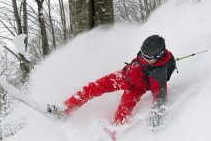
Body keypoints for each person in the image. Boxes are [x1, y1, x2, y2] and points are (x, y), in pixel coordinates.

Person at [48, 35, 177, 130]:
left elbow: (160, 98)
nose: (143, 58)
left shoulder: (158, 75)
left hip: (135, 89)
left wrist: (156, 116)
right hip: (124, 75)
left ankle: (111, 137)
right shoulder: (149, 54)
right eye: (142, 54)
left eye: (147, 58)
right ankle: (65, 110)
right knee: (93, 87)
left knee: (121, 115)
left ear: (158, 56)